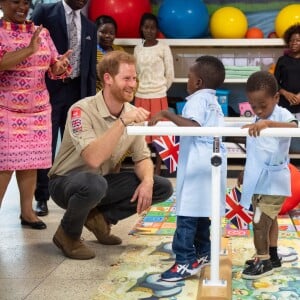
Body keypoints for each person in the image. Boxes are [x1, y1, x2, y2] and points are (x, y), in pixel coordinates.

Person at [48, 51, 173, 260]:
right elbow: (93, 159)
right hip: (65, 183)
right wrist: (123, 121)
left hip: (100, 182)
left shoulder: (131, 111)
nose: (133, 84)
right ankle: (67, 234)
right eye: (126, 78)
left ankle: (101, 219)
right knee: (94, 184)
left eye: (134, 78)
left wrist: (148, 181)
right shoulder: (81, 110)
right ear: (108, 79)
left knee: (162, 186)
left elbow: (141, 158)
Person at [148, 55, 227, 281]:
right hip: (210, 161)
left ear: (199, 82)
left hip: (198, 162)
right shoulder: (214, 101)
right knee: (202, 211)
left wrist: (167, 114)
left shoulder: (196, 100)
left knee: (187, 214)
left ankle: (184, 261)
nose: (187, 83)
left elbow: (193, 126)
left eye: (190, 78)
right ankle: (203, 252)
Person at [0, 0, 71, 229]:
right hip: (6, 110)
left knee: (29, 163)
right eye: (15, 2)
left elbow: (53, 64)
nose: (22, 7)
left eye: (25, 3)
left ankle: (27, 212)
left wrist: (58, 67)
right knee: (4, 164)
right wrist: (28, 50)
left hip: (38, 111)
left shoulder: (42, 32)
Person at [31, 0, 97, 217]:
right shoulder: (45, 12)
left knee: (74, 147)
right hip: (48, 90)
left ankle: (73, 194)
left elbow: (90, 67)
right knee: (45, 147)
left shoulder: (89, 26)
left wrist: (89, 101)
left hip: (77, 92)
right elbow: (31, 49)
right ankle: (41, 197)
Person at [240, 71, 298, 280]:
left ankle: (263, 261)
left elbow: (294, 127)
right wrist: (243, 172)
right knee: (269, 220)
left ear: (276, 98)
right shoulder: (258, 116)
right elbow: (257, 150)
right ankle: (272, 256)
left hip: (275, 181)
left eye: (262, 106)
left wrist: (268, 124)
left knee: (260, 221)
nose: (258, 110)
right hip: (258, 179)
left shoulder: (281, 114)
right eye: (253, 106)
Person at [133, 12, 174, 175]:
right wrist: (139, 90)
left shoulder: (163, 47)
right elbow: (135, 73)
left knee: (159, 136)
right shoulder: (137, 48)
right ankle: (146, 168)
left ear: (157, 29)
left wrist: (160, 89)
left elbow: (170, 74)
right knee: (143, 137)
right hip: (141, 97)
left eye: (153, 28)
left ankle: (157, 169)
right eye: (146, 27)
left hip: (158, 96)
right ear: (141, 29)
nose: (149, 31)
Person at [274, 23, 300, 119]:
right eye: (291, 40)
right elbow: (274, 82)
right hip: (285, 106)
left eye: (298, 40)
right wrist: (286, 94)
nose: (294, 43)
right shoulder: (282, 60)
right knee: (285, 133)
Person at [95, 15, 124, 92]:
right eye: (103, 32)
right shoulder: (90, 51)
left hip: (117, 96)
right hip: (97, 97)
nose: (107, 36)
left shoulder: (120, 51)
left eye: (111, 33)